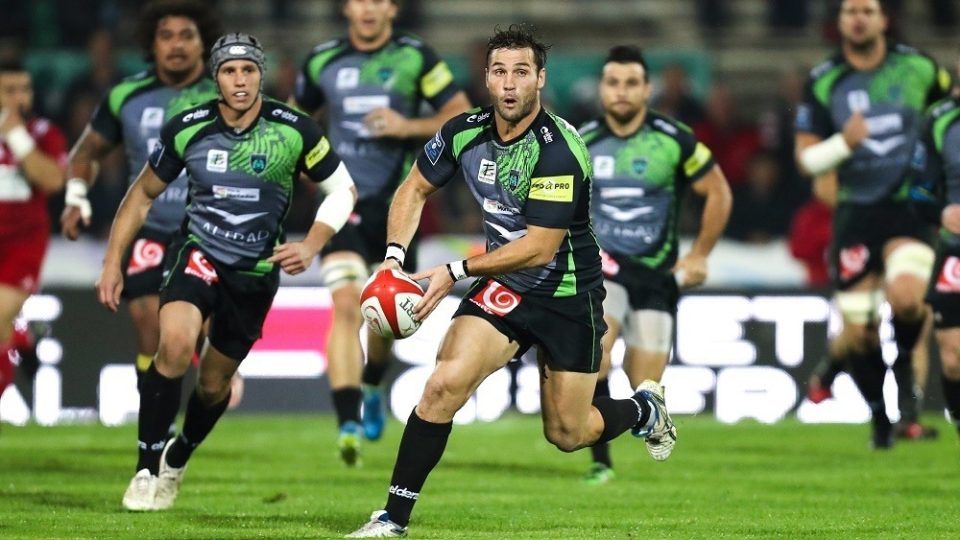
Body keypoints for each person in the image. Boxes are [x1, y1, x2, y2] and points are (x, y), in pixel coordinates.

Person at [346, 25, 677, 538]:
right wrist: (392, 259)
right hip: (508, 288)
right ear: (486, 78)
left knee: (568, 432)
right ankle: (392, 517)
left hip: (568, 293)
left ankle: (643, 409)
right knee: (442, 385)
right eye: (499, 72)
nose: (508, 84)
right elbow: (412, 190)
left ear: (540, 79)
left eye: (521, 72)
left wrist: (454, 271)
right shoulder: (462, 132)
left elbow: (540, 246)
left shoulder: (559, 149)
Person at [96, 33, 356, 511]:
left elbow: (342, 190)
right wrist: (113, 262)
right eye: (230, 71)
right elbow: (141, 195)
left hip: (256, 272)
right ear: (215, 78)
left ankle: (180, 455)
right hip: (197, 251)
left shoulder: (294, 129)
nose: (240, 79)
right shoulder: (188, 127)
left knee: (214, 385)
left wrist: (314, 243)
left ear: (260, 74)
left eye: (249, 70)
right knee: (173, 344)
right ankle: (145, 469)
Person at [291, 0, 470, 462]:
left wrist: (407, 125)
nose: (368, 8)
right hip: (340, 203)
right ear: (345, 8)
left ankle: (372, 386)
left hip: (397, 207)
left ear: (393, 8)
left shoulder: (417, 57)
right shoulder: (322, 60)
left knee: (387, 318)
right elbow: (293, 121)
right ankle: (347, 418)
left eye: (378, 0)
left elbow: (460, 115)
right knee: (347, 304)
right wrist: (308, 160)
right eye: (359, 0)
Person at [794, 0, 951, 448]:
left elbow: (949, 123)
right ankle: (881, 417)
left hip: (909, 210)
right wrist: (843, 143)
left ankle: (904, 393)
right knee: (859, 331)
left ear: (885, 19)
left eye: (867, 9)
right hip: (856, 213)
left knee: (908, 300)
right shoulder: (824, 81)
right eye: (850, 11)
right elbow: (807, 159)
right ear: (839, 22)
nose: (858, 17)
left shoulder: (921, 69)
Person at [577, 45, 731, 485]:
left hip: (657, 275)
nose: (621, 92)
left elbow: (718, 192)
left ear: (647, 89)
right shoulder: (580, 141)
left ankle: (650, 415)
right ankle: (600, 462)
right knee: (598, 353)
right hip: (603, 269)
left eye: (630, 83)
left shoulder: (675, 138)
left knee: (644, 381)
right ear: (601, 90)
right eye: (612, 83)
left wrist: (699, 253)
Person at [61, 0, 223, 397]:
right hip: (149, 225)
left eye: (187, 35)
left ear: (203, 43)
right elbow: (86, 151)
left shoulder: (226, 94)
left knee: (200, 337)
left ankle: (210, 381)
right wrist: (77, 195)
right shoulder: (127, 96)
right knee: (150, 322)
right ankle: (157, 423)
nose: (177, 45)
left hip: (209, 229)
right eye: (166, 36)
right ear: (152, 44)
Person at [0, 59, 67, 404]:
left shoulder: (43, 134)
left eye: (24, 89)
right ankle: (21, 336)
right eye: (9, 91)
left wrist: (15, 136)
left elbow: (53, 180)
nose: (19, 98)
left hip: (22, 244)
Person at [914, 89, 960, 442]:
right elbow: (918, 190)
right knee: (952, 354)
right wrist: (941, 212)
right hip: (955, 246)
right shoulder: (939, 118)